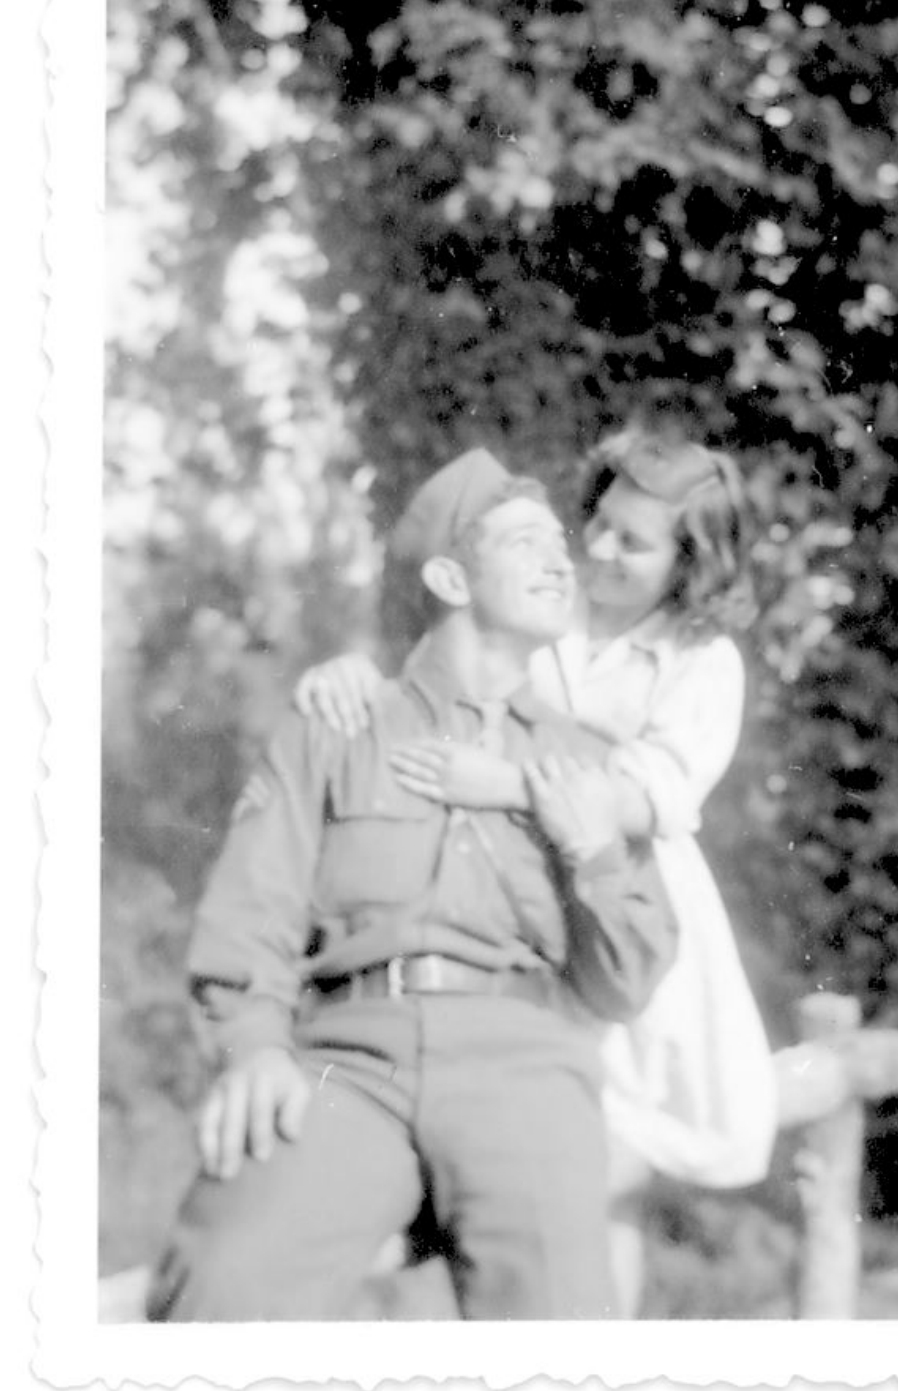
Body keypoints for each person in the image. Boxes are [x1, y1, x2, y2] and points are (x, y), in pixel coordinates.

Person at [145, 449, 678, 1323]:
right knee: (221, 1283)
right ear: (447, 576)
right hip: (344, 1063)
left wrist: (594, 854)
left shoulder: (585, 760)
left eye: (559, 542)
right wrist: (253, 1047)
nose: (560, 561)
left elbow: (623, 981)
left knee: (561, 1324)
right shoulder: (338, 722)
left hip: (527, 1066)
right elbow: (255, 908)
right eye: (523, 542)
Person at [297, 426, 779, 1314]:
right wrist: (352, 675)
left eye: (632, 544)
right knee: (527, 1150)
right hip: (511, 894)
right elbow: (450, 655)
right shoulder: (553, 608)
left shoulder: (700, 662)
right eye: (594, 524)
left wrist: (506, 781)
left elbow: (648, 794)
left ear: (691, 564)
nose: (597, 549)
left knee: (603, 1150)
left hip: (620, 899)